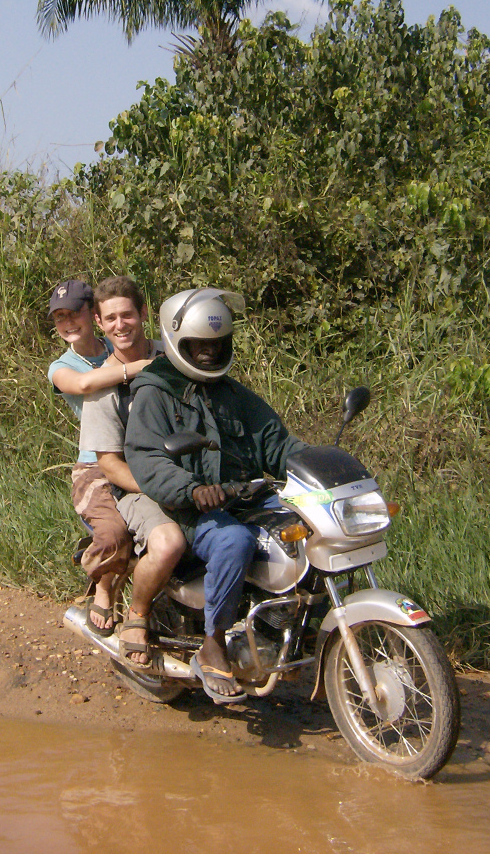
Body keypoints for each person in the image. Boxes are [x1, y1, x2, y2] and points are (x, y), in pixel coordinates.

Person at [124, 288, 305, 703]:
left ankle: (292, 625)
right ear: (176, 342)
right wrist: (191, 490)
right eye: (199, 345)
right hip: (189, 511)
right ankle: (213, 642)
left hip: (246, 499)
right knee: (234, 540)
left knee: (306, 526)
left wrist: (324, 466)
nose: (208, 353)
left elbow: (277, 444)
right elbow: (148, 460)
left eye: (217, 344)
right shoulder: (155, 391)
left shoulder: (235, 395)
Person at [77, 276, 185, 667]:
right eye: (111, 318)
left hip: (194, 473)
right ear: (100, 324)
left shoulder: (178, 358)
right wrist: (158, 488)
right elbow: (108, 462)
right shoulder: (104, 388)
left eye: (128, 315)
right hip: (137, 483)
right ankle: (134, 616)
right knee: (167, 542)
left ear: (143, 314)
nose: (121, 325)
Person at [46, 278, 153, 633]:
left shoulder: (119, 337)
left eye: (74, 313)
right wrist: (144, 367)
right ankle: (103, 588)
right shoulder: (63, 366)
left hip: (143, 451)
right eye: (59, 317)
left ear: (93, 314)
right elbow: (84, 385)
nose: (68, 323)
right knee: (114, 531)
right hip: (96, 461)